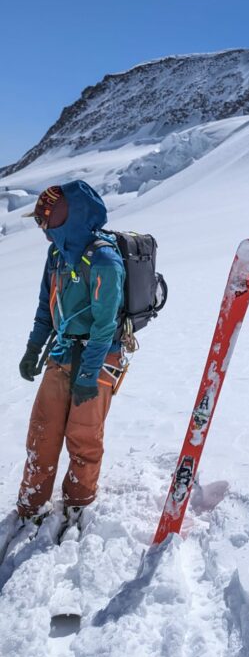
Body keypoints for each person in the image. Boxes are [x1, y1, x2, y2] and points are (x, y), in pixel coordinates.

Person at [17, 180, 126, 524]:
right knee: (42, 431)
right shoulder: (58, 256)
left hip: (100, 357)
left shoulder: (105, 259)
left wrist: (89, 374)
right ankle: (31, 504)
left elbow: (105, 325)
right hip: (62, 353)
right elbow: (45, 308)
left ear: (68, 216)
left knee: (83, 436)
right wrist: (34, 349)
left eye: (47, 220)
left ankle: (78, 503)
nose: (44, 229)